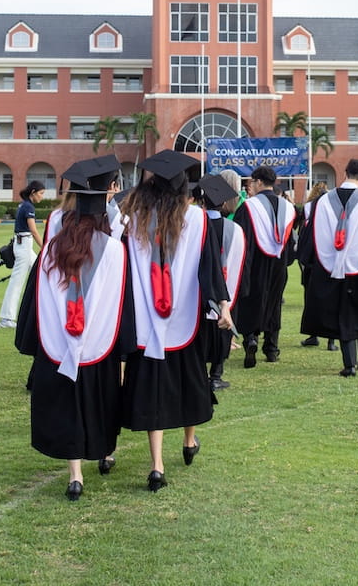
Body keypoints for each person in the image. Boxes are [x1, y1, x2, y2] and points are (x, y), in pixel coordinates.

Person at [15, 156, 134, 501]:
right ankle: (103, 452)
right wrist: (124, 348)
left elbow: (35, 301)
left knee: (68, 405)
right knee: (97, 405)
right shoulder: (114, 250)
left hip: (58, 345)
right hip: (100, 347)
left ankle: (75, 475)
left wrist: (40, 341)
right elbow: (121, 303)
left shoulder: (52, 248)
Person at [119, 150, 230, 491]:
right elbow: (210, 266)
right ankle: (188, 440)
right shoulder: (196, 219)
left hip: (144, 320)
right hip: (185, 319)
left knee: (153, 389)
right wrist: (223, 306)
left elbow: (122, 269)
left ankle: (156, 465)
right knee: (187, 383)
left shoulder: (133, 218)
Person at [298, 159, 358, 377]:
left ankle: (349, 364)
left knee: (343, 313)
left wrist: (312, 261)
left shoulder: (322, 201)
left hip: (329, 267)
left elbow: (310, 234)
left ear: (345, 173)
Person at [231, 165, 296, 368]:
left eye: (252, 181)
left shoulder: (248, 207)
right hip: (279, 263)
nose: (250, 185)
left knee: (252, 300)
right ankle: (271, 348)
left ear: (259, 182)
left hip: (254, 263)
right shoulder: (288, 207)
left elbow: (241, 239)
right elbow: (291, 242)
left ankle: (251, 338)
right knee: (274, 303)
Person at [197, 174, 246, 391]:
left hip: (200, 290)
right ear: (224, 202)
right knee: (222, 329)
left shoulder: (195, 225)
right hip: (226, 286)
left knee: (200, 332)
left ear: (202, 200)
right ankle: (216, 374)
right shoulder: (234, 229)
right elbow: (241, 261)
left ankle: (198, 372)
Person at [296, 182, 337, 351]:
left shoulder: (308, 211)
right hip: (330, 262)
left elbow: (302, 237)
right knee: (332, 300)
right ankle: (331, 340)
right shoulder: (334, 213)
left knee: (311, 299)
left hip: (313, 262)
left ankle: (313, 335)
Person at [0, 180, 45, 328]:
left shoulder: (24, 205)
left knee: (40, 273)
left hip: (25, 245)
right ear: (33, 193)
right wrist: (44, 246)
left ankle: (42, 311)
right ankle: (6, 318)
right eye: (41, 193)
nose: (42, 197)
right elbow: (33, 230)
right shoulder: (28, 207)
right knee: (16, 283)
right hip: (23, 246)